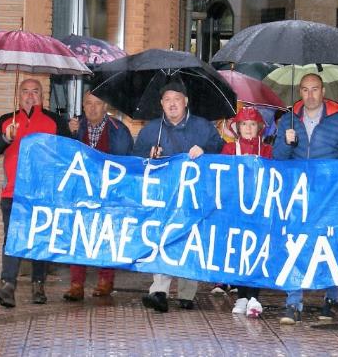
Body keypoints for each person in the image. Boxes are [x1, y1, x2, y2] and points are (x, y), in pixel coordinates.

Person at [273, 73, 338, 324]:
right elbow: (278, 159)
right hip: (298, 195)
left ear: (322, 91)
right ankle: (293, 301)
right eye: (305, 90)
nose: (310, 95)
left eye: (315, 89)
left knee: (330, 244)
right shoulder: (288, 121)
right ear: (299, 92)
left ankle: (331, 296)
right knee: (295, 244)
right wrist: (286, 142)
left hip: (329, 195)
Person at [133, 80, 224, 313]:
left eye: (177, 99)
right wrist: (149, 156)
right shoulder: (151, 130)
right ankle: (159, 292)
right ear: (161, 104)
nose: (172, 104)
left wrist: (205, 153)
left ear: (186, 102)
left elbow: (221, 152)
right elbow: (134, 161)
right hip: (163, 198)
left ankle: (186, 294)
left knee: (188, 242)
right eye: (167, 100)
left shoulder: (203, 127)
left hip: (194, 197)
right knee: (162, 240)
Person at [0, 78, 71, 308]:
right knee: (12, 240)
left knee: (39, 239)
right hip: (13, 194)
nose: (30, 96)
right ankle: (8, 286)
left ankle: (38, 284)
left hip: (44, 194)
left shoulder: (55, 121)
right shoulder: (6, 121)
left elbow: (70, 154)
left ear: (42, 96)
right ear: (18, 96)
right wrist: (6, 138)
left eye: (35, 92)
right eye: (25, 92)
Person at [62, 91, 134, 301]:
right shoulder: (75, 128)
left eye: (98, 103)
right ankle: (76, 284)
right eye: (88, 104)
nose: (92, 108)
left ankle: (105, 281)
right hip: (80, 192)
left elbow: (126, 162)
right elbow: (64, 157)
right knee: (78, 236)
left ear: (106, 107)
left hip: (108, 192)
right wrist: (70, 134)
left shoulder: (119, 130)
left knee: (106, 235)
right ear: (83, 106)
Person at [220, 107, 273, 318]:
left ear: (259, 127)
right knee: (239, 251)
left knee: (257, 251)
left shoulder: (267, 150)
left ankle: (254, 297)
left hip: (260, 209)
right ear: (238, 127)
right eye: (244, 124)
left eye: (252, 124)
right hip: (236, 209)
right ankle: (241, 296)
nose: (248, 128)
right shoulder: (229, 149)